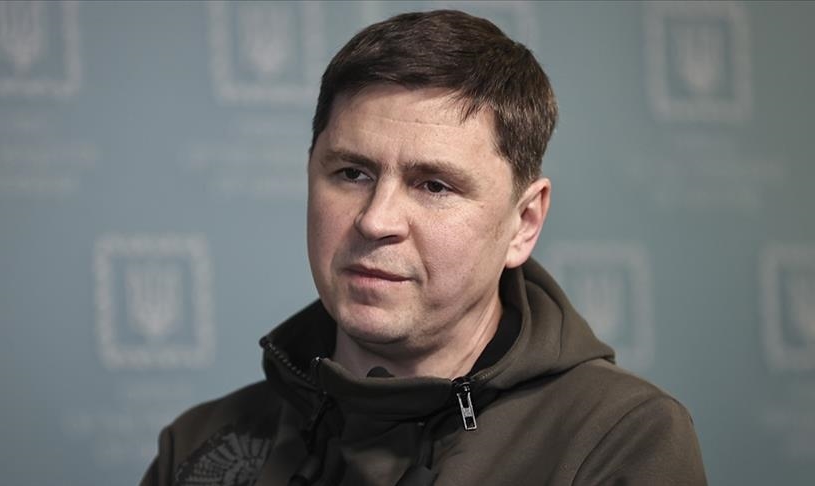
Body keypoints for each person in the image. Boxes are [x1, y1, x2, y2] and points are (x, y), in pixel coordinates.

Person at [142, 10, 707, 486]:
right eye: (352, 173)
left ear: (524, 223)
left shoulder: (619, 439)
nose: (376, 220)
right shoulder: (200, 444)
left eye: (434, 185)